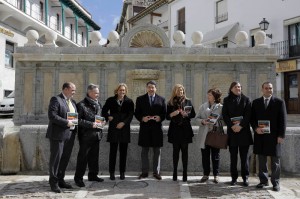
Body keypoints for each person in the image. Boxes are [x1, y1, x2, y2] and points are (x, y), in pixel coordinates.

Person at [251, 82, 287, 192]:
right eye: (266, 88)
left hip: (274, 136)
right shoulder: (256, 102)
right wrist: (256, 128)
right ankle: (263, 181)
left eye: (270, 88)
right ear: (262, 89)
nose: (268, 90)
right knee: (262, 160)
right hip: (260, 135)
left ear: (272, 89)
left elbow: (283, 120)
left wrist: (281, 135)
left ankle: (275, 183)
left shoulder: (279, 102)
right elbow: (252, 119)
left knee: (275, 161)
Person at [46, 82, 77, 193]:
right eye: (72, 90)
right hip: (57, 135)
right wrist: (66, 122)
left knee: (64, 159)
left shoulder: (72, 102)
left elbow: (74, 117)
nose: (74, 92)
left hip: (70, 135)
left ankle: (60, 180)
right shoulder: (56, 99)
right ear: (65, 89)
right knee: (56, 159)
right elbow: (52, 116)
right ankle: (53, 183)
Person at [222, 81, 253, 186]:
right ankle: (234, 178)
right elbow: (225, 115)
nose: (238, 88)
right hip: (232, 133)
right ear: (231, 89)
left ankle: (245, 178)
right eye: (236, 87)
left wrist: (240, 126)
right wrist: (232, 126)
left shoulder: (246, 99)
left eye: (239, 87)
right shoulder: (226, 100)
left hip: (244, 132)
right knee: (233, 158)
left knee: (244, 158)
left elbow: (248, 115)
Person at [134, 80, 166, 180]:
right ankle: (144, 172)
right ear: (146, 88)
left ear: (156, 88)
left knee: (157, 151)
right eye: (149, 87)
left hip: (157, 129)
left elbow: (164, 113)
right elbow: (137, 113)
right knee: (144, 151)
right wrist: (142, 118)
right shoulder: (140, 99)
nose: (151, 89)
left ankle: (156, 172)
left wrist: (160, 118)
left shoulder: (161, 99)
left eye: (153, 87)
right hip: (145, 129)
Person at [102, 83, 134, 180]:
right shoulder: (110, 100)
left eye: (124, 90)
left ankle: (122, 172)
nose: (122, 92)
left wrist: (123, 123)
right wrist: (108, 116)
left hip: (124, 129)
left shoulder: (129, 101)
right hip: (113, 128)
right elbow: (103, 111)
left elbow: (131, 115)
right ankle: (111, 172)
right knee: (113, 152)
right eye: (120, 90)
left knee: (123, 152)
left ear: (126, 91)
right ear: (117, 91)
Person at [74, 84, 104, 187]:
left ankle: (93, 175)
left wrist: (102, 122)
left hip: (97, 135)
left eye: (98, 93)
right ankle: (78, 178)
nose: (97, 95)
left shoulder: (98, 104)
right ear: (89, 92)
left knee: (94, 157)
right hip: (85, 136)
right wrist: (91, 124)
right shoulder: (81, 105)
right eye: (96, 93)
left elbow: (99, 117)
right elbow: (77, 120)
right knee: (83, 158)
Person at [166, 84, 195, 182]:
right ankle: (174, 173)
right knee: (175, 153)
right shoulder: (170, 103)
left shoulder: (188, 101)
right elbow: (166, 116)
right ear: (175, 91)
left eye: (182, 90)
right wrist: (172, 114)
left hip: (185, 130)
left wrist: (187, 114)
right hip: (175, 130)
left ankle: (185, 174)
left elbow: (193, 114)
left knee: (185, 153)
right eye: (178, 90)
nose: (180, 92)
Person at [196, 88, 223, 184]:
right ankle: (205, 174)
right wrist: (203, 121)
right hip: (204, 134)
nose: (208, 96)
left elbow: (224, 120)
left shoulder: (221, 107)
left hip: (215, 133)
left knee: (216, 156)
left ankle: (216, 175)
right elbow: (197, 118)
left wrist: (216, 121)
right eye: (208, 94)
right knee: (205, 156)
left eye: (210, 95)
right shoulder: (203, 106)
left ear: (215, 96)